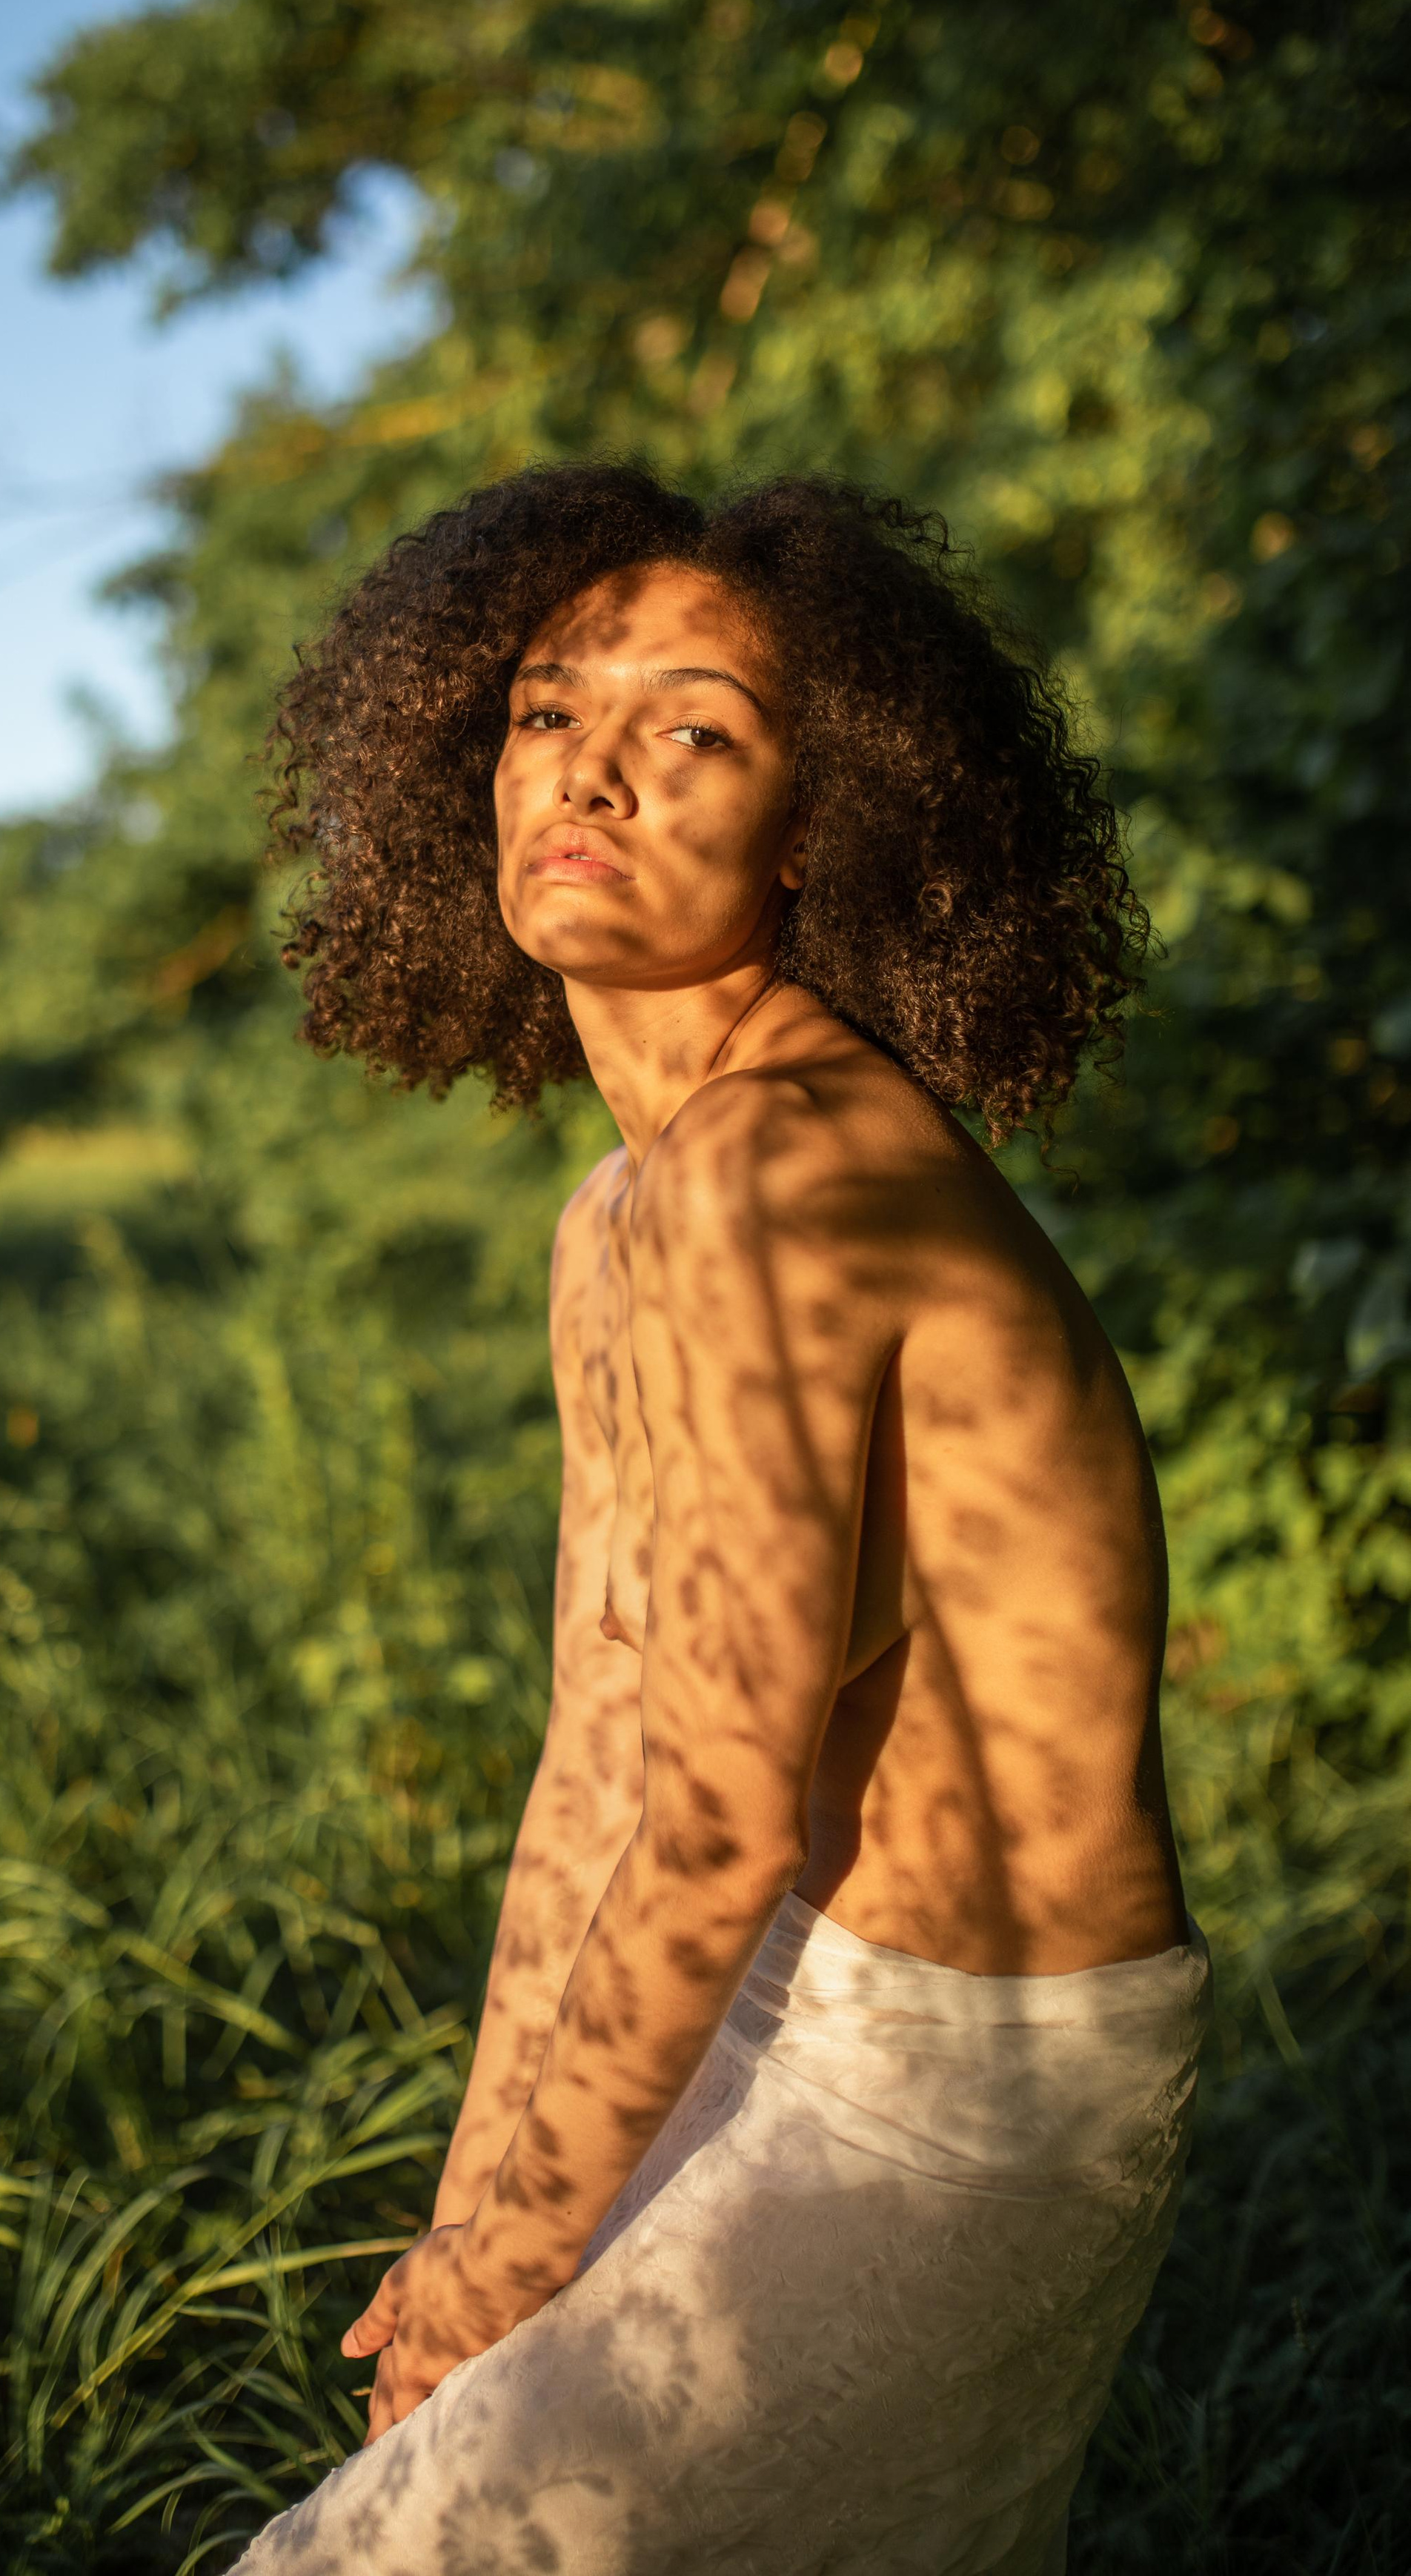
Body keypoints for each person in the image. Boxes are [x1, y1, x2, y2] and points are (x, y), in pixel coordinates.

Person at [232, 465, 1207, 2575]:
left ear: (809, 841)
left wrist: (503, 2289)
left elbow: (708, 1808)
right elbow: (598, 1749)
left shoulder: (790, 1170)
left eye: (695, 731)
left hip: (964, 2084)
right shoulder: (625, 1209)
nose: (589, 768)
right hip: (780, 1986)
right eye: (546, 710)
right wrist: (471, 2219)